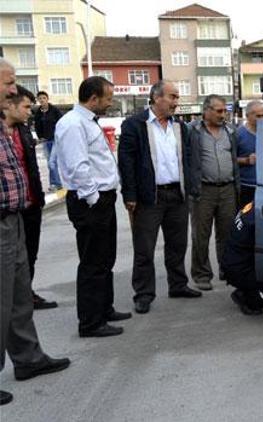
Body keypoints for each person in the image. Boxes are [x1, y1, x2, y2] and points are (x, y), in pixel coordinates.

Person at [0, 58, 70, 407]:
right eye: (9, 83)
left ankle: (28, 359)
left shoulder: (8, 127)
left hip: (14, 219)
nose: (14, 89)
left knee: (18, 297)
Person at [56, 76, 131, 337]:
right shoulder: (73, 124)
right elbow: (78, 167)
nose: (110, 104)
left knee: (105, 258)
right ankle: (90, 322)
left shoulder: (88, 122)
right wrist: (94, 199)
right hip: (90, 202)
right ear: (93, 98)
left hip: (102, 198)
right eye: (108, 99)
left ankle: (104, 308)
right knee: (92, 262)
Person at [118, 81, 202, 315]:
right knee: (144, 248)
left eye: (177, 97)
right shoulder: (135, 125)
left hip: (177, 194)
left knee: (177, 245)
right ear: (156, 98)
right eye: (172, 97)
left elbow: (188, 160)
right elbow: (126, 164)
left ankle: (178, 285)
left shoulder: (180, 128)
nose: (177, 102)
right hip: (149, 198)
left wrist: (192, 189)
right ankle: (144, 294)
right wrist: (130, 195)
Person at [4, 85, 57, 310]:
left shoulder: (24, 130)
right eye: (26, 106)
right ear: (10, 105)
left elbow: (31, 166)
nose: (30, 111)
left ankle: (27, 293)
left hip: (31, 201)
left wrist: (39, 196)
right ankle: (14, 298)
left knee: (29, 253)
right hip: (9, 207)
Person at [188, 95, 240, 291]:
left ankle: (226, 270)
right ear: (206, 111)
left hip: (228, 189)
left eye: (224, 111)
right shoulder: (192, 131)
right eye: (218, 111)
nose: (223, 114)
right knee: (201, 235)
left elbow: (235, 157)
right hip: (203, 190)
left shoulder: (231, 131)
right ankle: (202, 275)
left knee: (227, 233)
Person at [33, 91, 63, 192]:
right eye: (40, 98)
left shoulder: (54, 110)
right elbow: (37, 127)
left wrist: (59, 136)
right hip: (46, 141)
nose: (42, 100)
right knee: (50, 163)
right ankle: (54, 183)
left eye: (43, 98)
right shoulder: (38, 113)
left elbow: (62, 123)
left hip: (55, 140)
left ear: (47, 99)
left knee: (52, 162)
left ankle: (57, 183)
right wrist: (40, 136)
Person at [236, 100, 263, 205]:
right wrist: (246, 160)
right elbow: (229, 159)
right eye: (258, 116)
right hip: (246, 186)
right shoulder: (238, 134)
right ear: (247, 116)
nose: (262, 119)